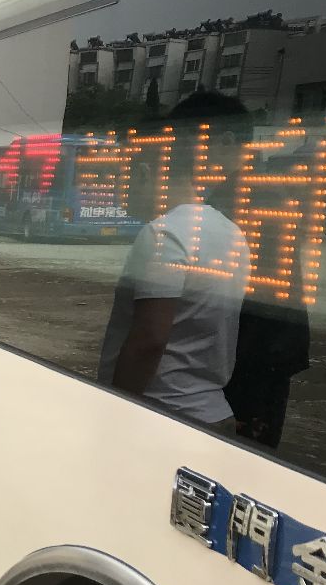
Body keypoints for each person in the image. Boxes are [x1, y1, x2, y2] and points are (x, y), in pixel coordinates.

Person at [99, 97, 252, 425]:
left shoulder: (162, 234)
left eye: (120, 177)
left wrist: (115, 413)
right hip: (213, 412)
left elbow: (149, 340)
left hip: (160, 414)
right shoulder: (231, 231)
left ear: (143, 173)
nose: (117, 189)